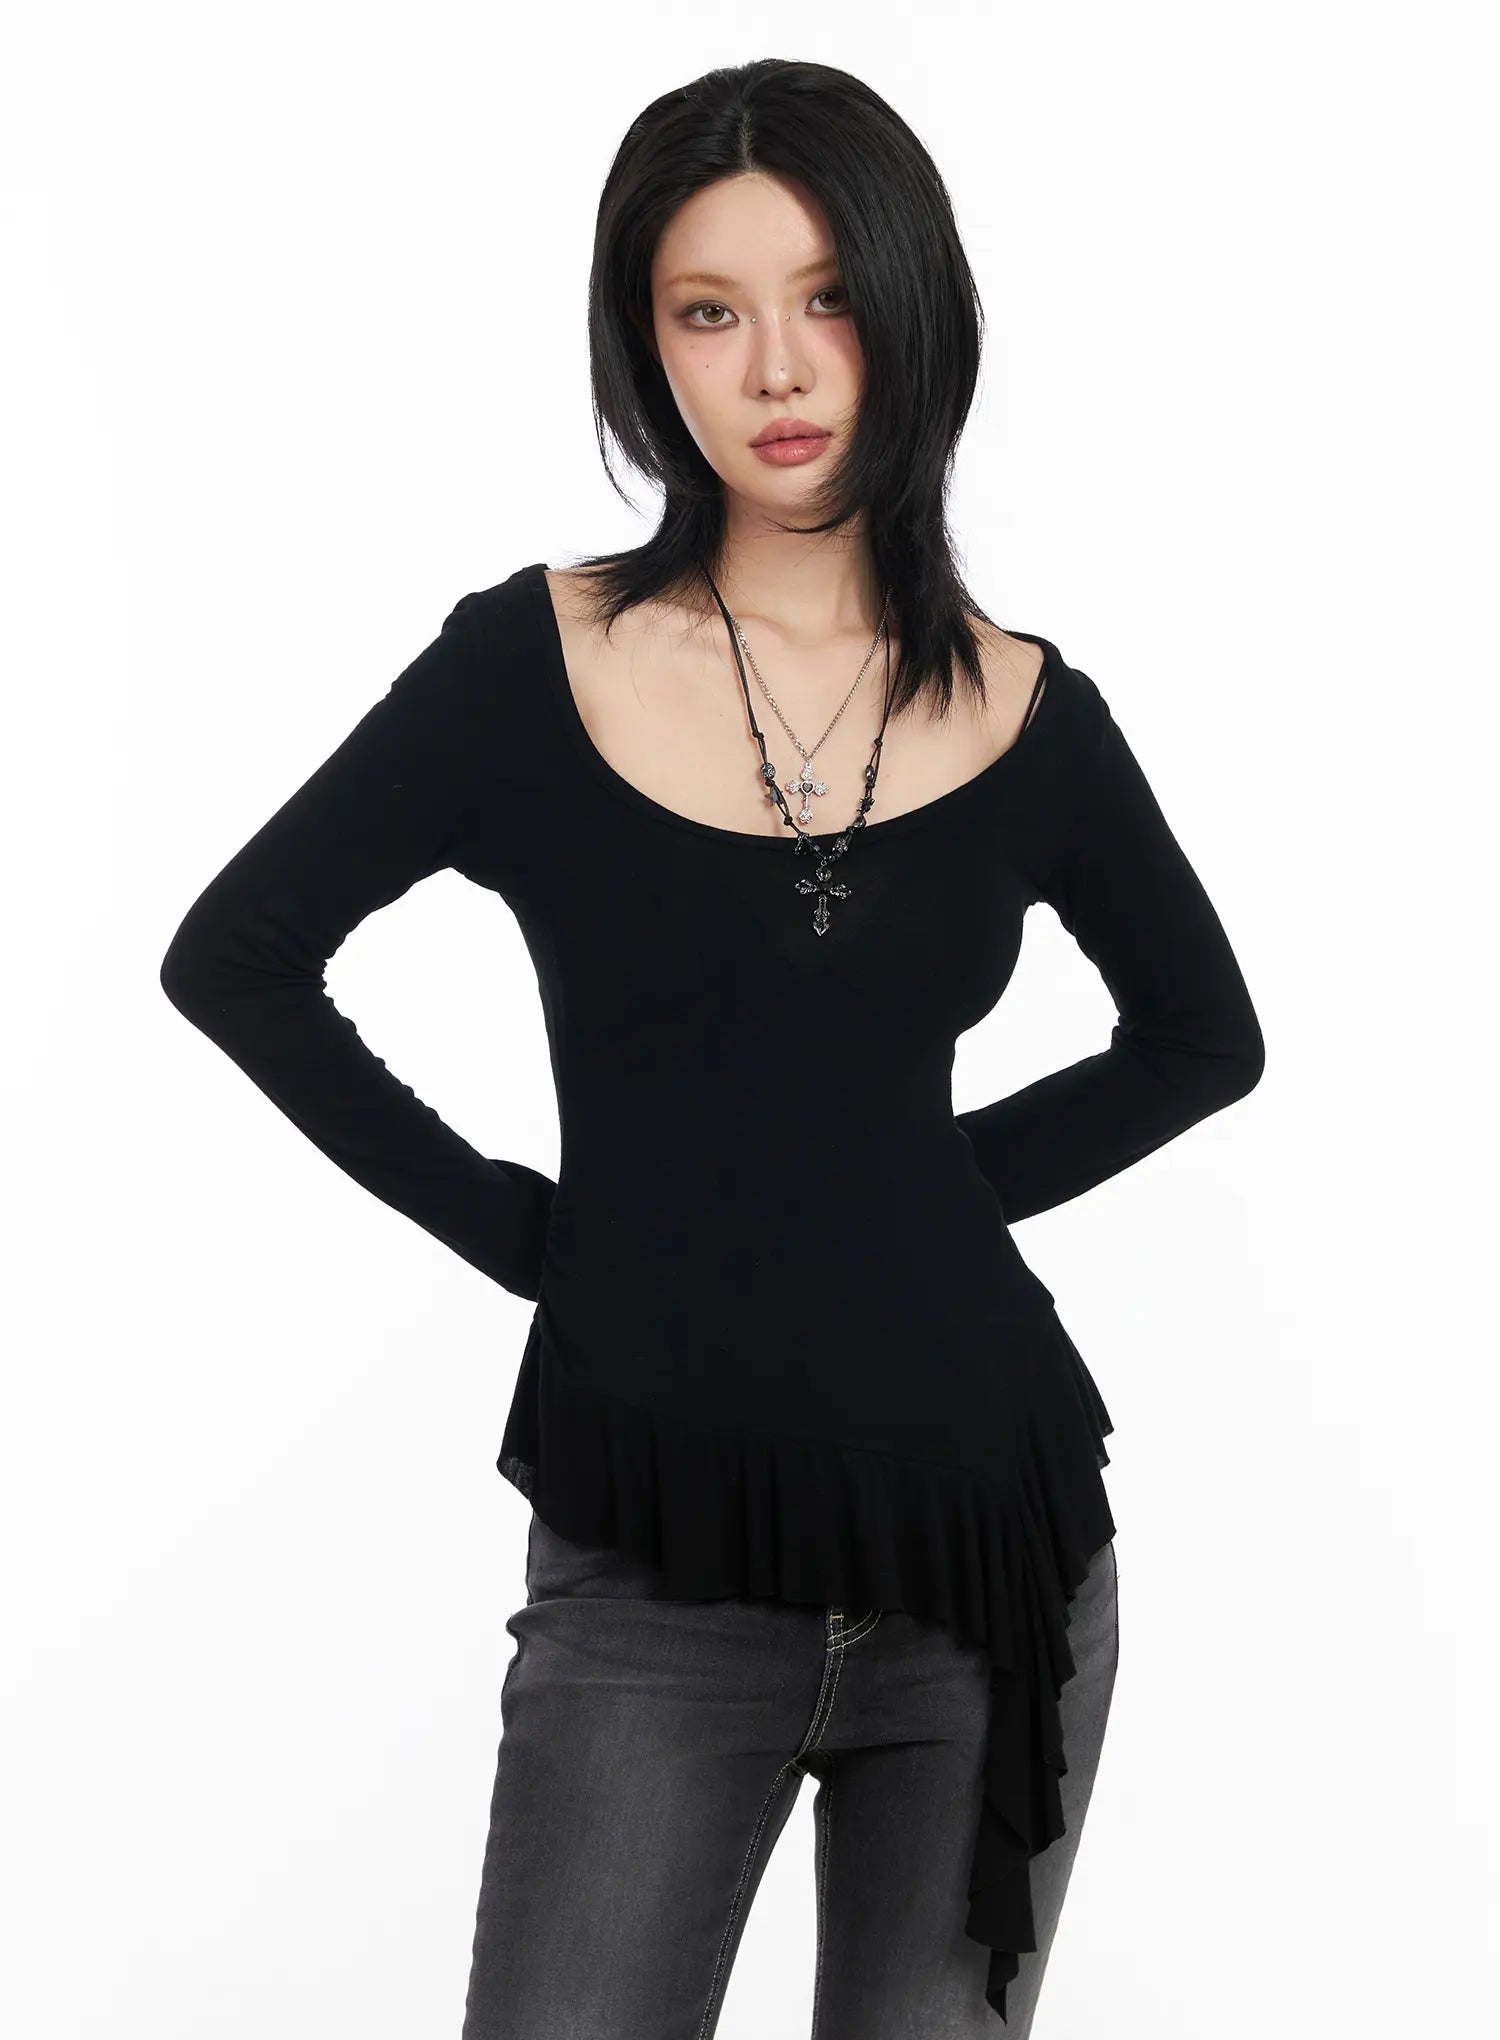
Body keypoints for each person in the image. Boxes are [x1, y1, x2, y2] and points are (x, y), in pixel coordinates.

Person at [159, 57, 1265, 2040]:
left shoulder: (1031, 712)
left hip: (988, 1559)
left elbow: (1206, 1041)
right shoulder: (536, 662)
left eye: (827, 295)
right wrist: (532, 1230)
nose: (778, 366)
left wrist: (905, 1200)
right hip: (655, 1571)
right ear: (646, 345)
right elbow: (236, 958)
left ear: (913, 309)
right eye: (709, 309)